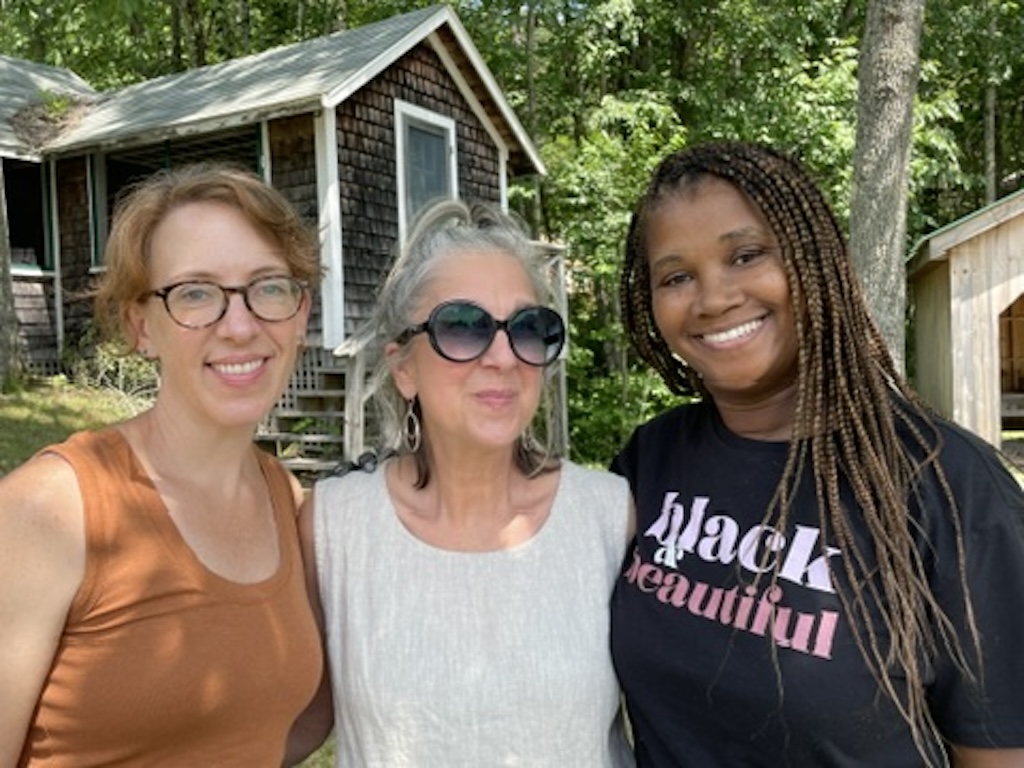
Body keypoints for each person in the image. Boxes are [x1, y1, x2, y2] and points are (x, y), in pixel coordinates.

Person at [612, 140, 1024, 767]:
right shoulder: (652, 459)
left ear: (813, 261)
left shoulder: (945, 483)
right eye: (676, 277)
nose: (713, 298)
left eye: (745, 255)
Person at [0, 164, 325, 766]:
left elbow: (275, 729)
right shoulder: (49, 511)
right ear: (141, 326)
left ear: (301, 313)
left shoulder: (285, 498)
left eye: (269, 287)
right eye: (195, 293)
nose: (240, 326)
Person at [295, 199, 635, 766]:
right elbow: (294, 720)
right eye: (462, 326)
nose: (504, 357)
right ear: (403, 368)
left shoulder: (608, 515)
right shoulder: (334, 527)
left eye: (528, 328)